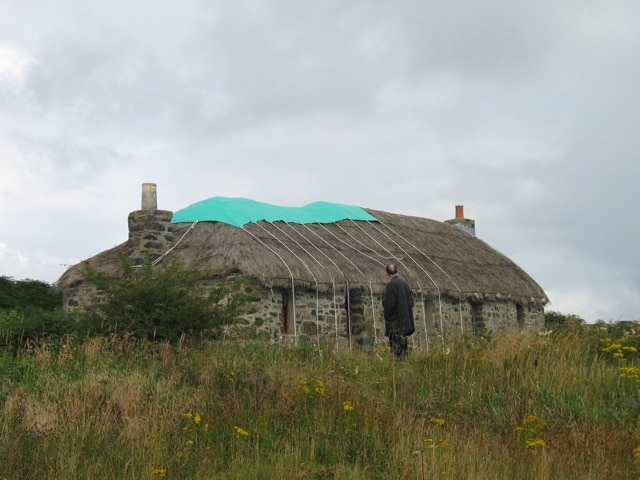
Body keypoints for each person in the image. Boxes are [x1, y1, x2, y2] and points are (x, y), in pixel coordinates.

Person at [382, 263, 415, 357]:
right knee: (404, 349)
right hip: (405, 325)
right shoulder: (405, 284)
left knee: (397, 351)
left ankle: (399, 368)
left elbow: (389, 305)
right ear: (397, 271)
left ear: (387, 273)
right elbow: (411, 302)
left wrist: (388, 318)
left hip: (396, 325)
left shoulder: (391, 285)